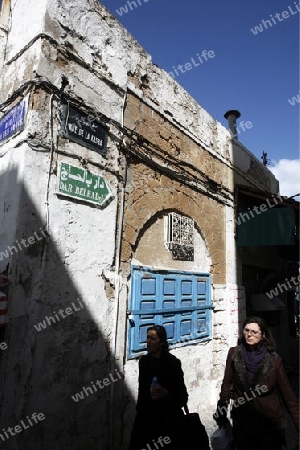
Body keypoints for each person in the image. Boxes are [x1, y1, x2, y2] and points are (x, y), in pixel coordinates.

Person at [213, 316, 299, 450]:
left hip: (269, 422)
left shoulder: (274, 360)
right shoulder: (234, 353)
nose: (249, 334)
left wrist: (297, 424)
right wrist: (221, 411)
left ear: (263, 335)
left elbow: (289, 397)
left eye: (254, 332)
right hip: (242, 420)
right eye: (246, 330)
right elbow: (226, 383)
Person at [128, 325, 188, 450]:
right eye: (147, 338)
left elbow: (182, 397)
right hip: (145, 420)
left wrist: (166, 393)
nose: (148, 341)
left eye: (153, 339)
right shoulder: (144, 362)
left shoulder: (173, 363)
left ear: (161, 342)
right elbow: (142, 391)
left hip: (166, 420)